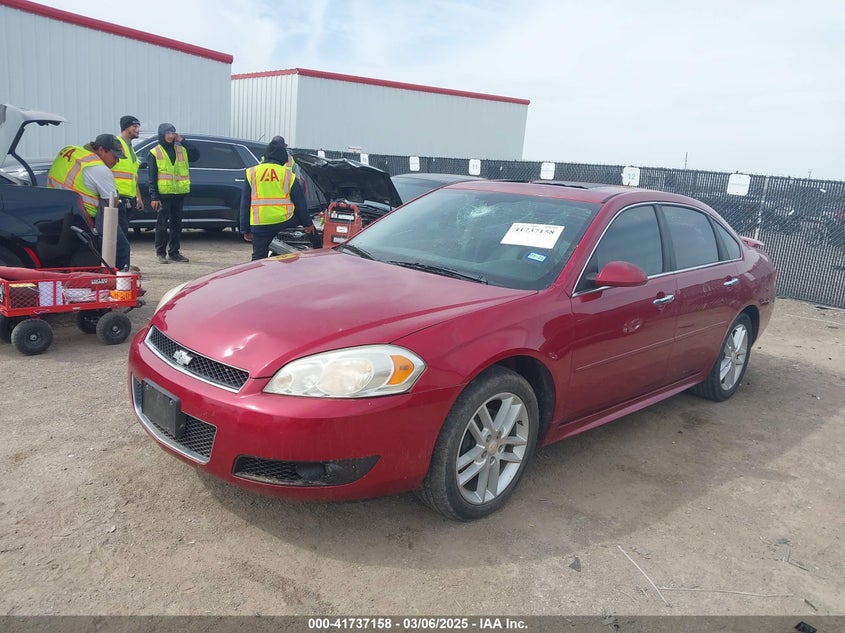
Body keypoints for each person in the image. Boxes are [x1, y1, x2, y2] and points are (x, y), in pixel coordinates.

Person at [46, 134, 131, 270]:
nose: (117, 161)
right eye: (115, 156)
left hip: (56, 212)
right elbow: (112, 202)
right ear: (101, 150)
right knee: (122, 248)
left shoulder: (70, 151)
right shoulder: (99, 169)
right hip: (85, 219)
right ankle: (120, 279)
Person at [240, 136, 314, 260]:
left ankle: (257, 271)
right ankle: (317, 251)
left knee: (258, 256)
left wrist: (245, 229)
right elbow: (300, 204)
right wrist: (308, 224)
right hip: (283, 221)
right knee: (309, 228)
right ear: (283, 157)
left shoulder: (252, 172)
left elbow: (245, 203)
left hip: (259, 224)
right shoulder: (288, 175)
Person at [148, 123, 198, 263]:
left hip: (179, 194)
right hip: (163, 195)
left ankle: (174, 252)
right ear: (162, 134)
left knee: (177, 225)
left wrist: (183, 140)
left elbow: (196, 155)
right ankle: (160, 253)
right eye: (168, 133)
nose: (170, 136)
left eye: (172, 133)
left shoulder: (181, 149)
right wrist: (154, 196)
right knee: (162, 225)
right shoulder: (155, 152)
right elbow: (152, 177)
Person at [113, 115, 143, 272]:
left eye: (138, 127)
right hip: (118, 198)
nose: (137, 130)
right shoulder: (117, 145)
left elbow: (133, 175)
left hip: (129, 198)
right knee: (120, 236)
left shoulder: (130, 148)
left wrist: (138, 196)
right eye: (134, 127)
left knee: (123, 234)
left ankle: (123, 265)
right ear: (125, 128)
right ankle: (122, 268)